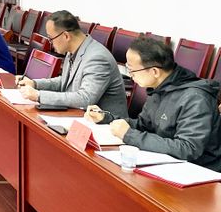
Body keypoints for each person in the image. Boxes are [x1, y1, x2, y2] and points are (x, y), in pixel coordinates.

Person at [85, 37, 221, 171]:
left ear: (155, 71)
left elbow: (188, 148)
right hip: (167, 162)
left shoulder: (195, 98)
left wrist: (129, 135)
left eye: (131, 70)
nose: (130, 75)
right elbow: (143, 125)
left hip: (200, 170)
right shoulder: (159, 88)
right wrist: (106, 118)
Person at [17, 10, 128, 117]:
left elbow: (85, 99)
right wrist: (34, 84)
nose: (50, 43)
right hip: (79, 116)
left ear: (66, 36)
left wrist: (39, 95)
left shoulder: (97, 58)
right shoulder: (73, 50)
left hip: (109, 124)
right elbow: (64, 82)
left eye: (51, 38)